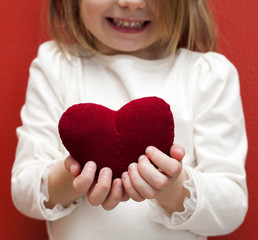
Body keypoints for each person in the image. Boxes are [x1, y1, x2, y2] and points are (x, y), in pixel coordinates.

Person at [11, 0, 248, 239]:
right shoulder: (56, 67)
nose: (131, 3)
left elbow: (232, 207)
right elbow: (23, 190)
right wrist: (73, 177)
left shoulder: (208, 76)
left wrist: (172, 189)